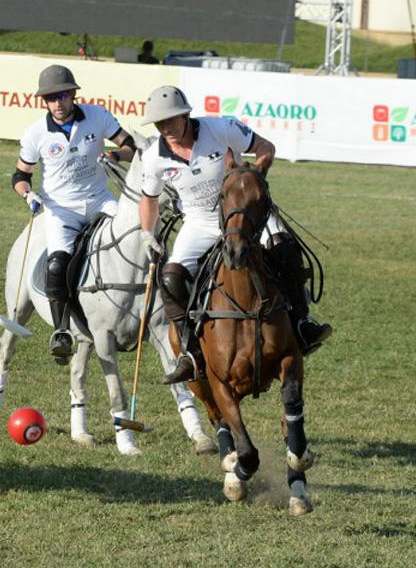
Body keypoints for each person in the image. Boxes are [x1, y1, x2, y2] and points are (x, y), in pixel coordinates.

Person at [136, 85, 332, 384]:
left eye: (171, 120)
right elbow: (149, 198)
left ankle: (303, 323)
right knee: (170, 276)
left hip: (246, 216)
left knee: (285, 248)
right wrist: (148, 234)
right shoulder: (154, 158)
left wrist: (255, 176)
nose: (166, 128)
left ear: (187, 115)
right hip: (201, 222)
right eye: (159, 124)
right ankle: (190, 352)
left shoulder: (222, 128)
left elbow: (265, 147)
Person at [13, 64, 136, 360]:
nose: (57, 102)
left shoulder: (97, 116)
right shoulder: (36, 134)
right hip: (61, 208)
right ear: (44, 100)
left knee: (137, 236)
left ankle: (153, 308)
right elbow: (20, 176)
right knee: (57, 264)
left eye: (63, 95)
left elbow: (131, 147)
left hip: (99, 199)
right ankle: (61, 330)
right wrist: (28, 195)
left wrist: (115, 154)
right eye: (51, 97)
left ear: (73, 95)